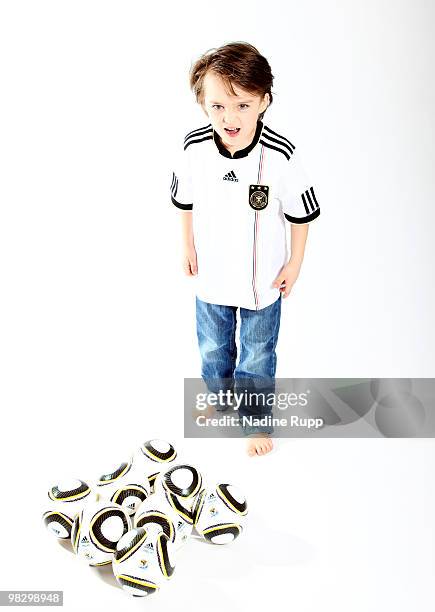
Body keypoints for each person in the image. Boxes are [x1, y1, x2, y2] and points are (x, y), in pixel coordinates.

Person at [170, 42, 321, 457]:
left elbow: (301, 213)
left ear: (264, 101)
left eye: (241, 104)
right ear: (203, 104)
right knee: (214, 347)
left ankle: (255, 422)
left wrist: (295, 262)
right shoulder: (194, 147)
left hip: (262, 280)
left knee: (256, 355)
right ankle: (219, 402)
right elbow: (184, 200)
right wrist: (186, 245)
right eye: (217, 106)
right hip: (213, 276)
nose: (228, 117)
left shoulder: (280, 155)